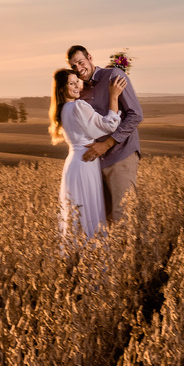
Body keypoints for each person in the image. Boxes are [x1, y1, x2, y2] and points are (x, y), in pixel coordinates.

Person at [67, 45, 143, 222]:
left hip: (120, 156)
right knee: (101, 217)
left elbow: (135, 115)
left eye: (80, 62)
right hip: (94, 163)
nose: (78, 69)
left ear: (90, 58)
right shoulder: (80, 91)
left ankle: (130, 250)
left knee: (123, 214)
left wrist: (107, 144)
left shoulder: (114, 76)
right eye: (73, 66)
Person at [50, 68, 128, 239]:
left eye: (77, 81)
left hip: (72, 165)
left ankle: (74, 257)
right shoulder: (79, 106)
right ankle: (93, 256)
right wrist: (114, 96)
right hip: (86, 163)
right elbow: (110, 125)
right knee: (90, 211)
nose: (78, 85)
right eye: (72, 83)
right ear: (63, 88)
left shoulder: (62, 110)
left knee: (75, 213)